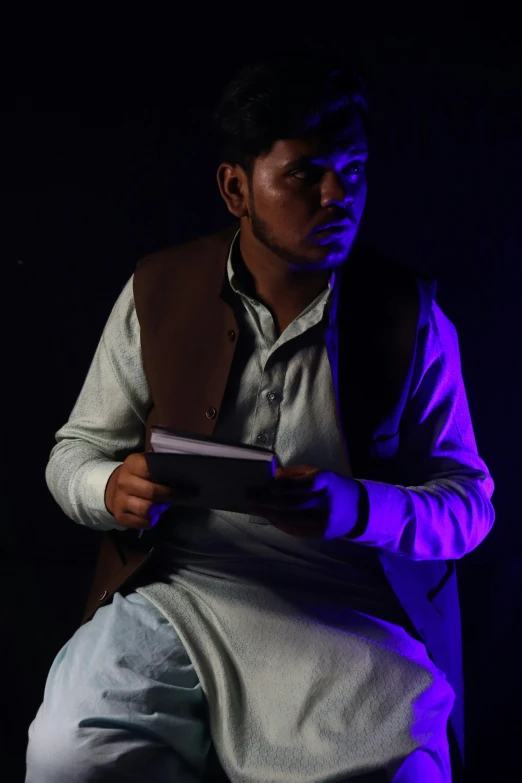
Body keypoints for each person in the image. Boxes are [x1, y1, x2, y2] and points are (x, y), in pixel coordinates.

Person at [26, 55, 495, 782]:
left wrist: (354, 506)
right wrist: (108, 486)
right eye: (306, 174)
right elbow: (74, 451)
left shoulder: (412, 317)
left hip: (349, 611)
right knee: (70, 755)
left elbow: (470, 506)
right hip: (177, 594)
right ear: (236, 188)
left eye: (355, 169)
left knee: (400, 769)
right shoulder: (160, 288)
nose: (339, 194)